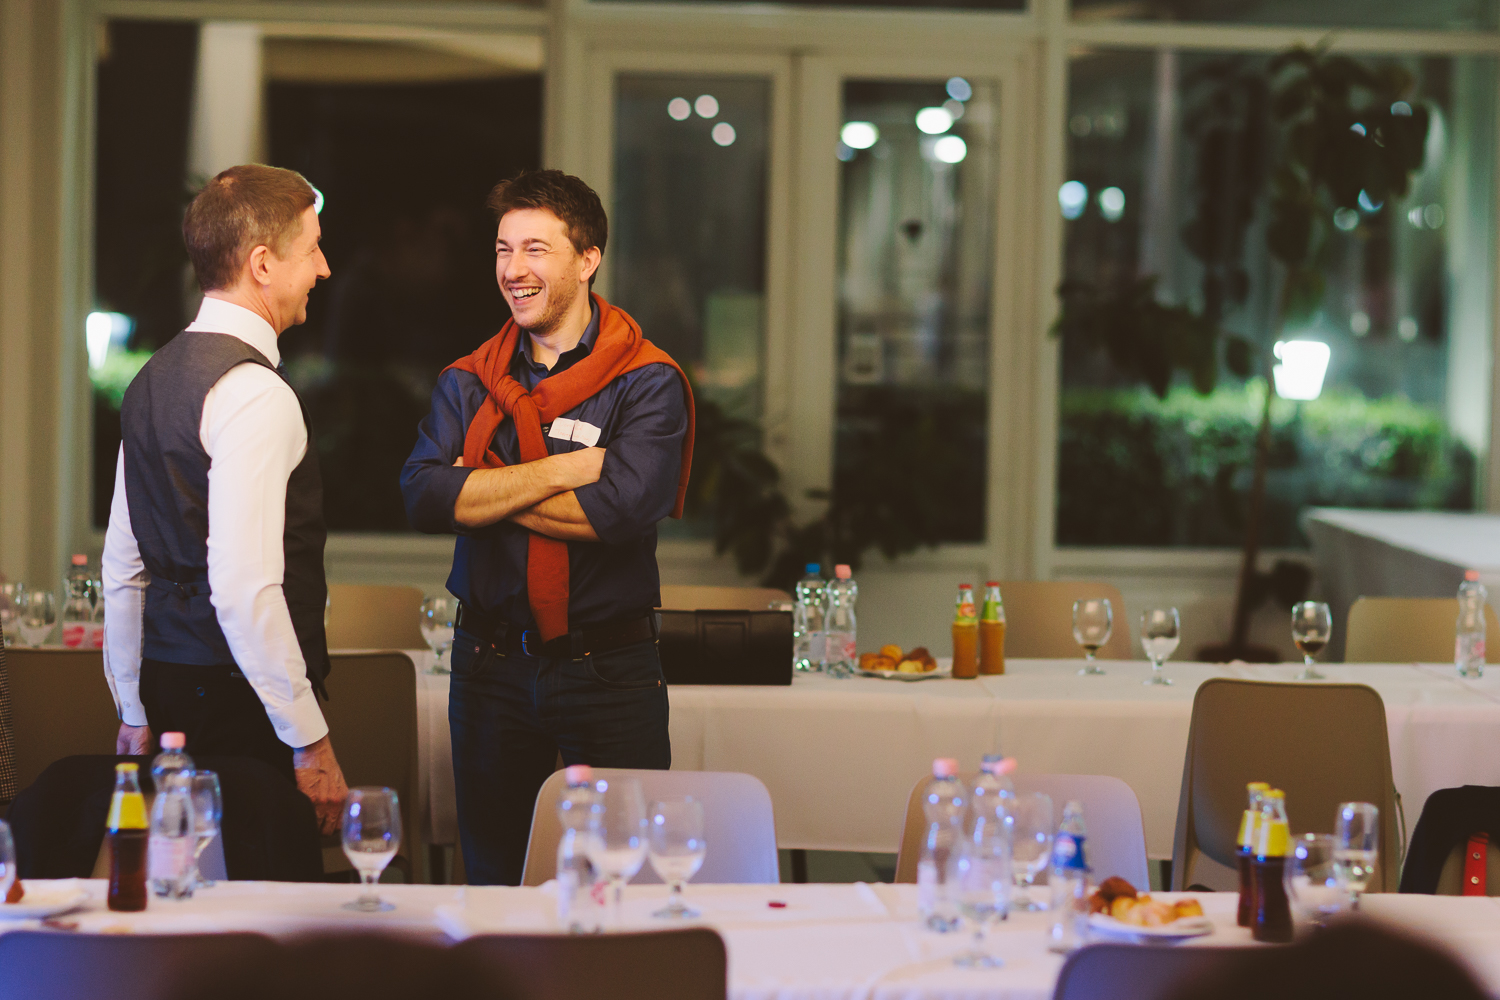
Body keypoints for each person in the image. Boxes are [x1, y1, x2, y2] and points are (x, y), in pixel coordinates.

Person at [401, 170, 694, 884]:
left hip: (610, 668)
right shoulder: (468, 380)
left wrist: (480, 485)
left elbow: (617, 512)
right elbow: (424, 497)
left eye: (536, 249)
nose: (514, 269)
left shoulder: (647, 380)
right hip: (488, 664)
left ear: (588, 259)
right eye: (504, 249)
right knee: (495, 882)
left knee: (625, 879)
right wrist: (567, 470)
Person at [101, 164, 348, 833]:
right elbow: (243, 587)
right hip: (241, 703)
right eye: (312, 249)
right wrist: (309, 739)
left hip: (167, 688)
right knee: (260, 885)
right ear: (263, 264)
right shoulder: (256, 392)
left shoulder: (150, 380)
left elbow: (124, 567)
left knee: (180, 881)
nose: (323, 268)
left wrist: (133, 709)